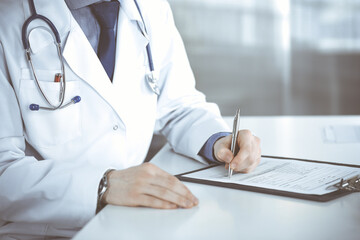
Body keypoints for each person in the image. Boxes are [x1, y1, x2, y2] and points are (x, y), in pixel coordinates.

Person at [0, 0, 261, 238]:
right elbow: (3, 169)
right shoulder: (8, 20)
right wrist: (103, 186)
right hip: (46, 231)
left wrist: (219, 141)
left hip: (136, 221)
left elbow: (179, 105)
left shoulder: (150, 8)